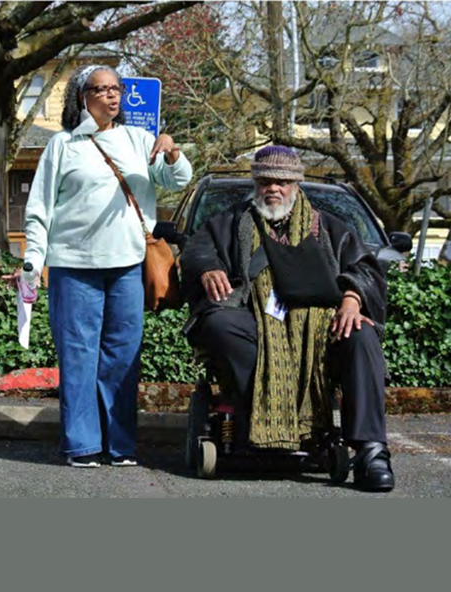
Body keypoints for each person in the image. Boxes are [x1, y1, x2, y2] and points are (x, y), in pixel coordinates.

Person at [179, 145, 395, 492]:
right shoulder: (231, 221)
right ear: (256, 182)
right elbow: (196, 248)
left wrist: (353, 300)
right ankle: (259, 420)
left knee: (362, 336)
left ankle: (371, 453)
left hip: (321, 325)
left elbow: (364, 268)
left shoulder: (328, 227)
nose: (273, 188)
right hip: (252, 322)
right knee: (219, 324)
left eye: (282, 181)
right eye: (265, 180)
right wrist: (207, 268)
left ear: (297, 185)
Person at [20, 65, 192, 468]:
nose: (112, 96)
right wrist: (33, 257)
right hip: (73, 263)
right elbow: (40, 207)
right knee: (78, 354)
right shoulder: (63, 145)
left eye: (117, 89)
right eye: (102, 89)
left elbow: (176, 180)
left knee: (122, 355)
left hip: (128, 263)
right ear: (83, 96)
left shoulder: (138, 139)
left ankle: (121, 445)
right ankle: (81, 444)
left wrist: (172, 152)